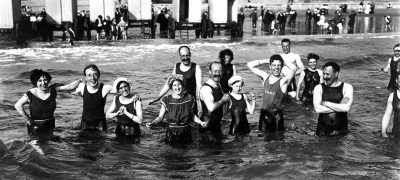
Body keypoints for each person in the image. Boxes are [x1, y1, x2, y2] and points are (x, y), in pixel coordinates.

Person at [14, 69, 82, 138]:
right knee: (39, 147)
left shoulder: (53, 89)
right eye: (40, 81)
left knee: (53, 146)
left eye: (45, 80)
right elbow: (18, 106)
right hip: (35, 127)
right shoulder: (30, 94)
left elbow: (69, 87)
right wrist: (28, 119)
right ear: (35, 82)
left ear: (48, 80)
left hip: (50, 125)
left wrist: (80, 80)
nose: (43, 83)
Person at [146, 77, 207, 143]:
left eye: (179, 84)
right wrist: (153, 123)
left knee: (186, 151)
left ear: (183, 86)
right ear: (171, 87)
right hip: (172, 132)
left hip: (185, 131)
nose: (177, 87)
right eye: (174, 85)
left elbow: (191, 115)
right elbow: (160, 117)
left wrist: (201, 122)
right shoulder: (167, 100)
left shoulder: (189, 98)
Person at [247, 55, 296, 132]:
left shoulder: (283, 81)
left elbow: (293, 68)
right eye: (274, 65)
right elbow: (250, 65)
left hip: (277, 116)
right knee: (262, 137)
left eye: (279, 65)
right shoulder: (265, 77)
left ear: (282, 67)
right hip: (264, 115)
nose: (276, 68)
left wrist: (283, 61)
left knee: (277, 140)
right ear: (270, 66)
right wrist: (266, 60)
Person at [149, 46, 202, 116]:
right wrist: (158, 98)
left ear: (190, 54)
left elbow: (199, 86)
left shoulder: (196, 67)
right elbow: (169, 84)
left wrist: (199, 105)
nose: (185, 58)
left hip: (191, 100)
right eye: (183, 56)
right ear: (180, 56)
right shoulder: (176, 66)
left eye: (187, 55)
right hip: (179, 100)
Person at [313, 62, 354, 136]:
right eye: (324, 74)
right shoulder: (318, 88)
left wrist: (325, 103)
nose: (325, 77)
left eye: (328, 74)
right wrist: (339, 106)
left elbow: (346, 108)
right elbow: (317, 109)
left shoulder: (347, 87)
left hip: (342, 131)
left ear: (336, 74)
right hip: (322, 132)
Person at [73, 64, 113, 133]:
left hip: (100, 126)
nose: (92, 78)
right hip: (85, 124)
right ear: (85, 77)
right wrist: (57, 89)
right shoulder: (82, 86)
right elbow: (70, 89)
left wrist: (134, 96)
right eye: (89, 75)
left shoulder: (105, 88)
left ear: (99, 75)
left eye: (95, 74)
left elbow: (122, 90)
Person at [199, 62, 230, 142]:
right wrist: (223, 100)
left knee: (218, 151)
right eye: (215, 71)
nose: (217, 74)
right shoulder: (206, 88)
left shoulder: (218, 85)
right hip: (207, 127)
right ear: (209, 72)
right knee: (210, 152)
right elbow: (211, 107)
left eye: (220, 71)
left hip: (216, 124)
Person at [106, 78, 142, 142]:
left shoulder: (136, 100)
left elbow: (140, 121)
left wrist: (126, 112)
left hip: (133, 134)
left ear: (129, 87)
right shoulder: (116, 99)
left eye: (125, 86)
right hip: (119, 131)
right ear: (118, 90)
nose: (124, 89)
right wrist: (116, 113)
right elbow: (107, 115)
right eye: (121, 88)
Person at [381, 71, 400, 138]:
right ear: (397, 81)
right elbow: (387, 115)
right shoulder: (392, 96)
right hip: (396, 132)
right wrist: (383, 131)